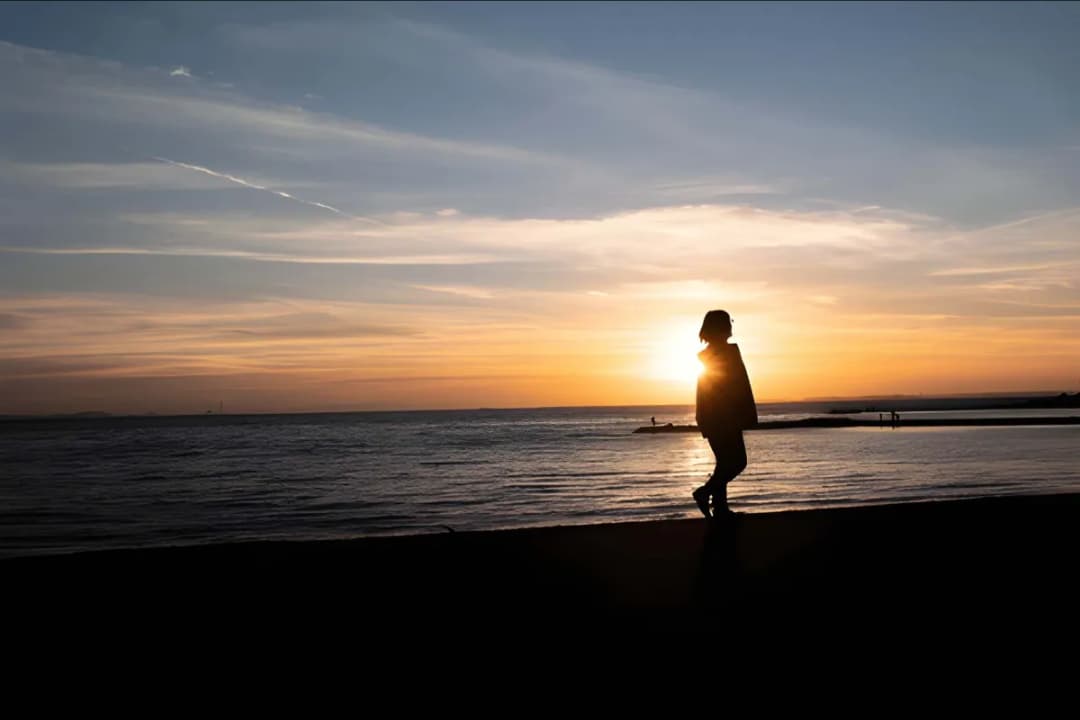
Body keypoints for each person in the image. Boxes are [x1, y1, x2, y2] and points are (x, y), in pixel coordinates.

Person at [692, 310, 757, 519]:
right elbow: (736, 385)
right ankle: (704, 493)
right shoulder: (726, 353)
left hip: (714, 417)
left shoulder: (711, 355)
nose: (731, 325)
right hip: (724, 416)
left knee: (724, 463)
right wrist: (743, 412)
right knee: (737, 462)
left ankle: (720, 508)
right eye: (728, 322)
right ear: (721, 327)